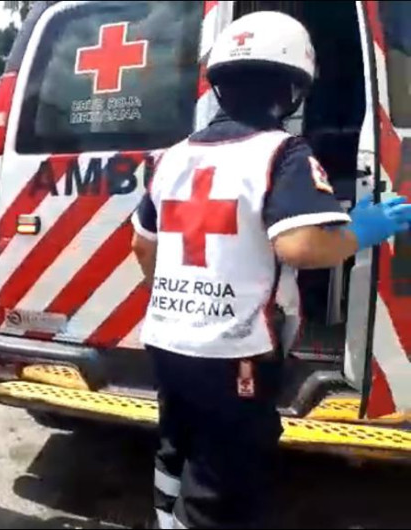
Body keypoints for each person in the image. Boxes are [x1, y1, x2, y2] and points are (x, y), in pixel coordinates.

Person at [130, 12, 411, 529]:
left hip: (168, 340)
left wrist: (177, 300)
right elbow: (302, 246)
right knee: (224, 479)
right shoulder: (281, 152)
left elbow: (142, 246)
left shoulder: (171, 157)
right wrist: (358, 231)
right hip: (235, 353)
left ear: (218, 85)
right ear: (292, 90)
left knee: (176, 444)